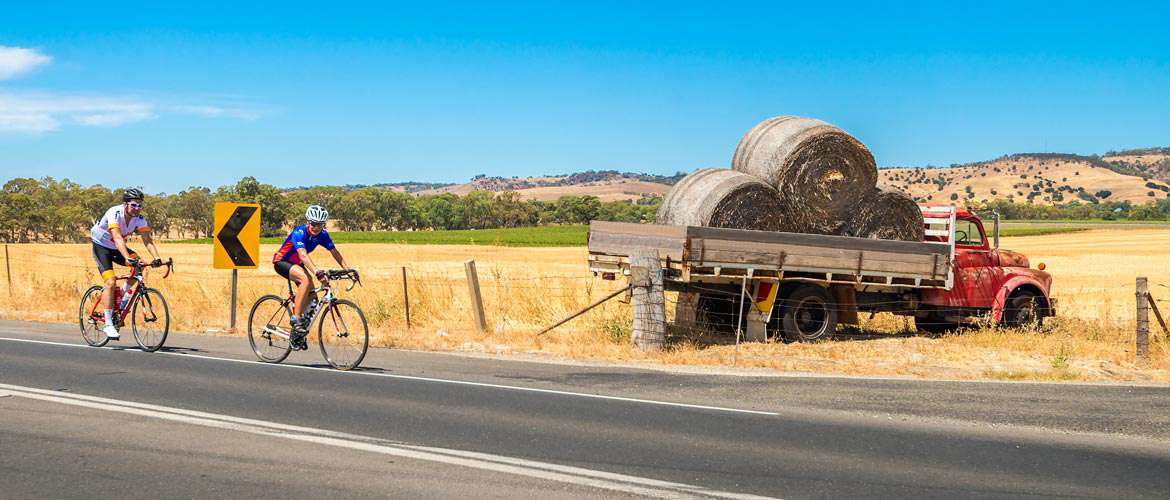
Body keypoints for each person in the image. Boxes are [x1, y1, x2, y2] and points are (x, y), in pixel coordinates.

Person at [272, 205, 353, 348]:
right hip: (282, 261)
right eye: (313, 224)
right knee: (305, 279)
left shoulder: (323, 235)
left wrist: (348, 270)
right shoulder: (299, 232)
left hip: (297, 264)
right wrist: (317, 272)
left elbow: (334, 252)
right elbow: (303, 255)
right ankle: (296, 318)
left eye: (320, 224)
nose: (316, 227)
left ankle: (297, 333)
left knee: (313, 298)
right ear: (308, 222)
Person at [90, 188, 163, 339]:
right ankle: (108, 324)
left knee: (140, 265)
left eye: (140, 205)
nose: (137, 208)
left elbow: (147, 240)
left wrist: (157, 258)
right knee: (110, 282)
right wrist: (127, 258)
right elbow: (117, 237)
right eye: (134, 205)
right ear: (125, 204)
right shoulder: (114, 213)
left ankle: (122, 294)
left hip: (116, 247)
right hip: (101, 247)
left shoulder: (140, 219)